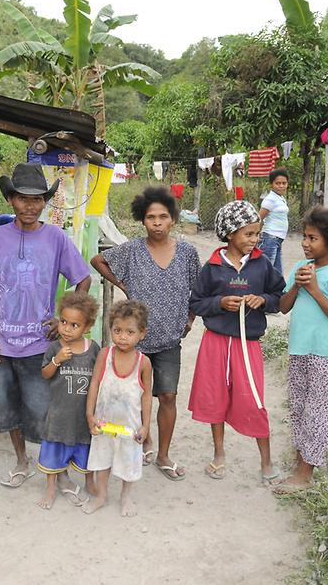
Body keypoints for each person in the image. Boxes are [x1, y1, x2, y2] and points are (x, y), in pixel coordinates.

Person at [0, 162, 91, 488]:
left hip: (41, 344)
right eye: (23, 198)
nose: (30, 205)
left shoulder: (56, 238)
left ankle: (59, 471)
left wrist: (65, 320)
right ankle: (22, 460)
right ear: (11, 199)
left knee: (47, 410)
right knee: (9, 407)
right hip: (3, 343)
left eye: (37, 199)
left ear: (45, 202)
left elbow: (82, 279)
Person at [90, 187, 200, 481]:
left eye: (163, 216)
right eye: (151, 217)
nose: (157, 222)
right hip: (133, 343)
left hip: (168, 340)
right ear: (143, 221)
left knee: (167, 395)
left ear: (173, 219)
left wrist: (190, 317)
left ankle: (163, 455)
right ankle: (140, 440)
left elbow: (198, 288)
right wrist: (123, 285)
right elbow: (98, 261)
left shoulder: (187, 252)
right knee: (134, 398)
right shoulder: (131, 250)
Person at [188, 200, 285, 485]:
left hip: (247, 345)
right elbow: (196, 302)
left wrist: (263, 300)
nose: (255, 240)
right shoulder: (213, 267)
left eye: (257, 234)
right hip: (215, 343)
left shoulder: (261, 264)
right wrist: (219, 303)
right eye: (249, 234)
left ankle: (266, 462)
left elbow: (279, 297)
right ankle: (219, 454)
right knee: (215, 398)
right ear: (230, 234)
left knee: (253, 400)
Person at [275, 207, 328, 495]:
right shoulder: (300, 268)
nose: (305, 243)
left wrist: (317, 290)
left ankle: (306, 473)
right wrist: (297, 285)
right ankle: (300, 463)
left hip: (323, 353)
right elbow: (283, 307)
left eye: (313, 238)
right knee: (297, 406)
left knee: (315, 410)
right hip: (298, 349)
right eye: (305, 237)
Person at [82, 300, 153, 517]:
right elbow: (94, 384)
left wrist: (146, 426)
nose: (122, 336)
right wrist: (89, 414)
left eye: (130, 332)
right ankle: (102, 495)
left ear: (142, 333)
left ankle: (126, 497)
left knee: (128, 463)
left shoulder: (144, 363)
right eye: (117, 330)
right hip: (104, 423)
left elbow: (147, 395)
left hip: (129, 427)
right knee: (102, 461)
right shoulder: (105, 355)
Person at [36, 292, 101, 510]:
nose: (66, 328)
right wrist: (57, 360)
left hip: (84, 415)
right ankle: (51, 490)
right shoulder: (55, 348)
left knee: (87, 450)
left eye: (74, 325)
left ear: (87, 326)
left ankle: (90, 483)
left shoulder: (94, 349)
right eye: (63, 322)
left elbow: (100, 379)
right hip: (59, 413)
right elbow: (45, 374)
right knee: (53, 451)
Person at [257, 169, 289, 275]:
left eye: (284, 183)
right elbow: (259, 218)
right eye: (277, 183)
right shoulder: (270, 199)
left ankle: (277, 291)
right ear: (271, 184)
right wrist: (256, 235)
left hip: (277, 239)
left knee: (277, 272)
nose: (281, 186)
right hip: (270, 238)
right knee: (266, 270)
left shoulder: (280, 198)